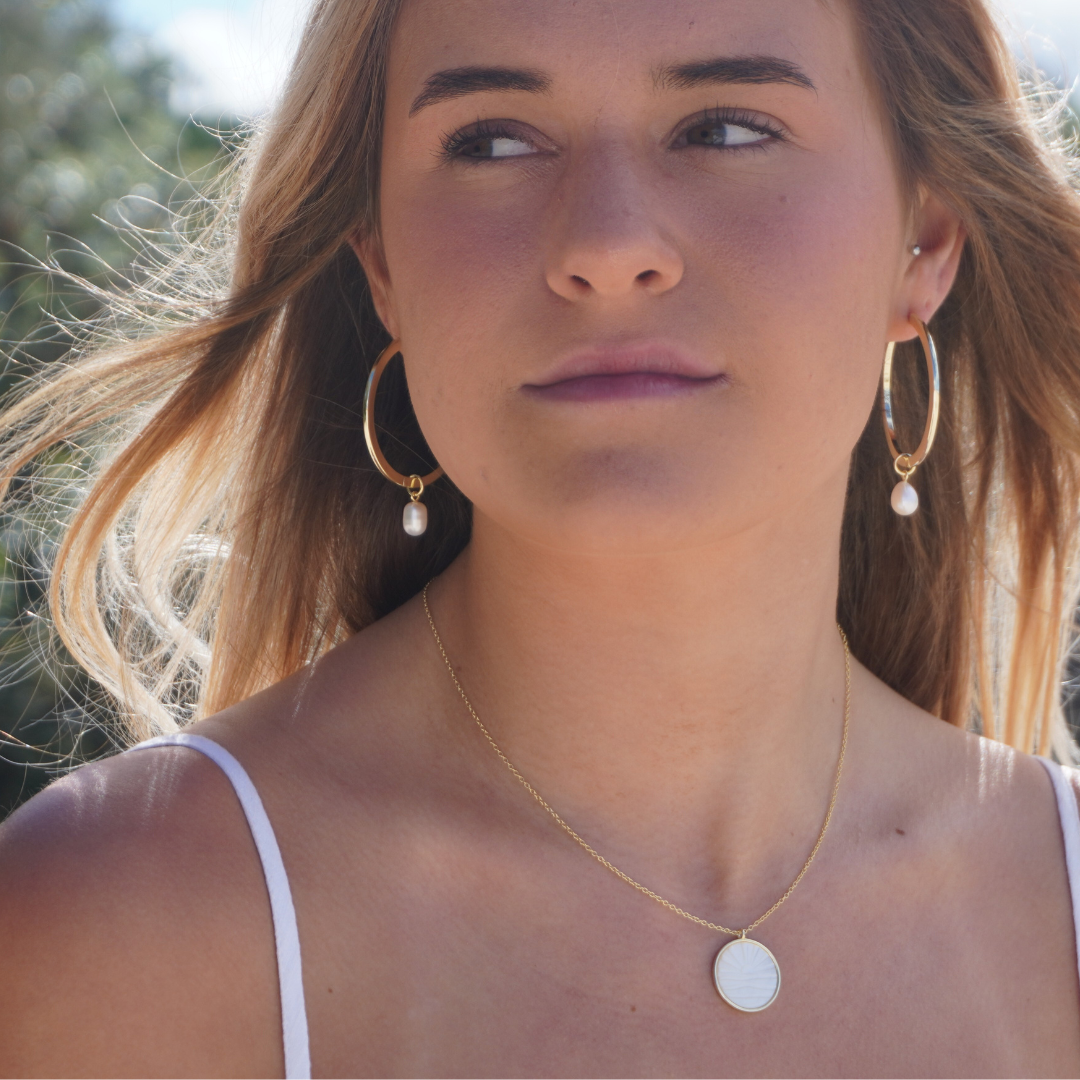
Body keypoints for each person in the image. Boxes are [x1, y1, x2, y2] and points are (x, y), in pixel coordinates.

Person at [2, 0, 1080, 1074]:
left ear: (926, 239)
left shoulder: (1061, 906)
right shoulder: (112, 919)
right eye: (491, 141)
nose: (608, 247)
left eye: (725, 127)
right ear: (380, 264)